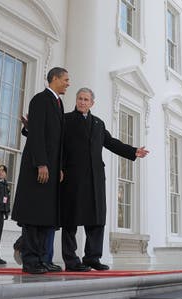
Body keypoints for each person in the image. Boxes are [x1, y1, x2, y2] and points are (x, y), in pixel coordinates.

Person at [60, 88, 149, 271]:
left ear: (92, 103)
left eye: (86, 99)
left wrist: (133, 151)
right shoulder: (66, 120)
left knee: (96, 218)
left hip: (95, 178)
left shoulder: (98, 124)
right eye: (79, 99)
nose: (82, 102)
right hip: (73, 178)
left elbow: (111, 143)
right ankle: (71, 260)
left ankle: (92, 258)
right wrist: (60, 168)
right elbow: (56, 144)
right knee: (70, 220)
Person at [10, 67, 68, 274]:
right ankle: (30, 260)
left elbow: (55, 139)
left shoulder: (58, 104)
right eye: (65, 79)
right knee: (34, 215)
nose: (68, 83)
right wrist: (42, 163)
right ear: (54, 79)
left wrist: (59, 167)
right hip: (38, 168)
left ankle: (43, 259)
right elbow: (37, 135)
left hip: (52, 169)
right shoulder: (40, 99)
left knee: (46, 217)